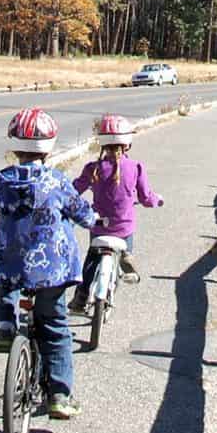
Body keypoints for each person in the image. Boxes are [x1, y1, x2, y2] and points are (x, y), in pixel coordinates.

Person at [0, 107, 94, 419]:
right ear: (50, 146)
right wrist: (93, 218)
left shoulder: (2, 181)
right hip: (51, 270)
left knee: (8, 283)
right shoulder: (56, 182)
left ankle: (5, 324)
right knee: (55, 328)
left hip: (11, 263)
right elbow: (81, 212)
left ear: (14, 146)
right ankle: (59, 395)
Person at [69, 113, 163, 312]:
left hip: (99, 226)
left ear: (101, 142)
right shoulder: (136, 167)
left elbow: (73, 190)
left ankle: (82, 295)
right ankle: (127, 255)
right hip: (123, 227)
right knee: (126, 233)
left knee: (92, 258)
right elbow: (146, 197)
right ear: (127, 143)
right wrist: (157, 201)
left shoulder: (92, 169)